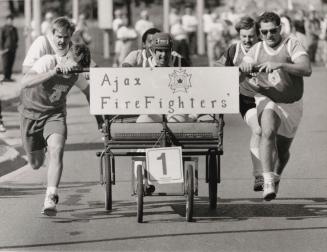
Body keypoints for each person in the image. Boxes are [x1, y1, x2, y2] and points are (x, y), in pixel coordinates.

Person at [239, 12, 312, 201]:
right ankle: (268, 179)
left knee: (283, 150)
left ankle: (277, 173)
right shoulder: (256, 49)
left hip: (292, 104)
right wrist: (245, 67)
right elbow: (245, 64)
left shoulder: (291, 44)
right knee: (268, 131)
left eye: (272, 31)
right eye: (264, 32)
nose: (268, 36)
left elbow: (306, 69)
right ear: (260, 32)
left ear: (280, 29)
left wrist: (280, 64)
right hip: (267, 99)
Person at [19, 44, 94, 216]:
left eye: (78, 68)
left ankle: (51, 196)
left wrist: (100, 118)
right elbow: (25, 82)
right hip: (30, 115)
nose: (74, 70)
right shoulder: (48, 61)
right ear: (66, 57)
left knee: (57, 149)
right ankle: (41, 148)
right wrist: (54, 72)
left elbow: (91, 93)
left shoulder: (76, 75)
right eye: (73, 65)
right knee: (36, 163)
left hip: (55, 114)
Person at [216, 16, 262, 191]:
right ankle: (258, 176)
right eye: (244, 36)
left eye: (251, 36)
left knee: (272, 135)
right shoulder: (233, 51)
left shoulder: (264, 48)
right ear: (239, 36)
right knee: (257, 130)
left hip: (268, 98)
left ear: (257, 35)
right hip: (246, 99)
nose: (247, 40)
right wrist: (238, 71)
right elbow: (218, 71)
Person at [0, 14, 18, 82]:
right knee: (6, 63)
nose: (11, 21)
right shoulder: (3, 28)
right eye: (10, 20)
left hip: (12, 49)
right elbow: (1, 39)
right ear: (7, 20)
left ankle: (9, 77)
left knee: (11, 63)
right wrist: (2, 49)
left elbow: (16, 38)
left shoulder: (14, 29)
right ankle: (5, 77)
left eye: (12, 20)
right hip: (5, 49)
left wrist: (15, 46)